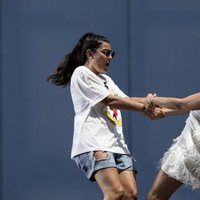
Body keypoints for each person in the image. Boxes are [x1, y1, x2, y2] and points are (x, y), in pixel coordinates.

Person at [47, 32, 162, 200]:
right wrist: (145, 109)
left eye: (112, 54)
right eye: (106, 52)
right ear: (90, 53)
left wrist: (149, 102)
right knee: (115, 193)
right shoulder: (82, 73)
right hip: (94, 144)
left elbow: (126, 99)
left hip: (117, 146)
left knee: (130, 194)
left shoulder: (106, 80)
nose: (110, 57)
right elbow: (110, 100)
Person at [144, 92, 200, 200]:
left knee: (155, 197)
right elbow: (190, 107)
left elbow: (181, 104)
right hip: (191, 152)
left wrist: (152, 99)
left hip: (187, 153)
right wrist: (164, 112)